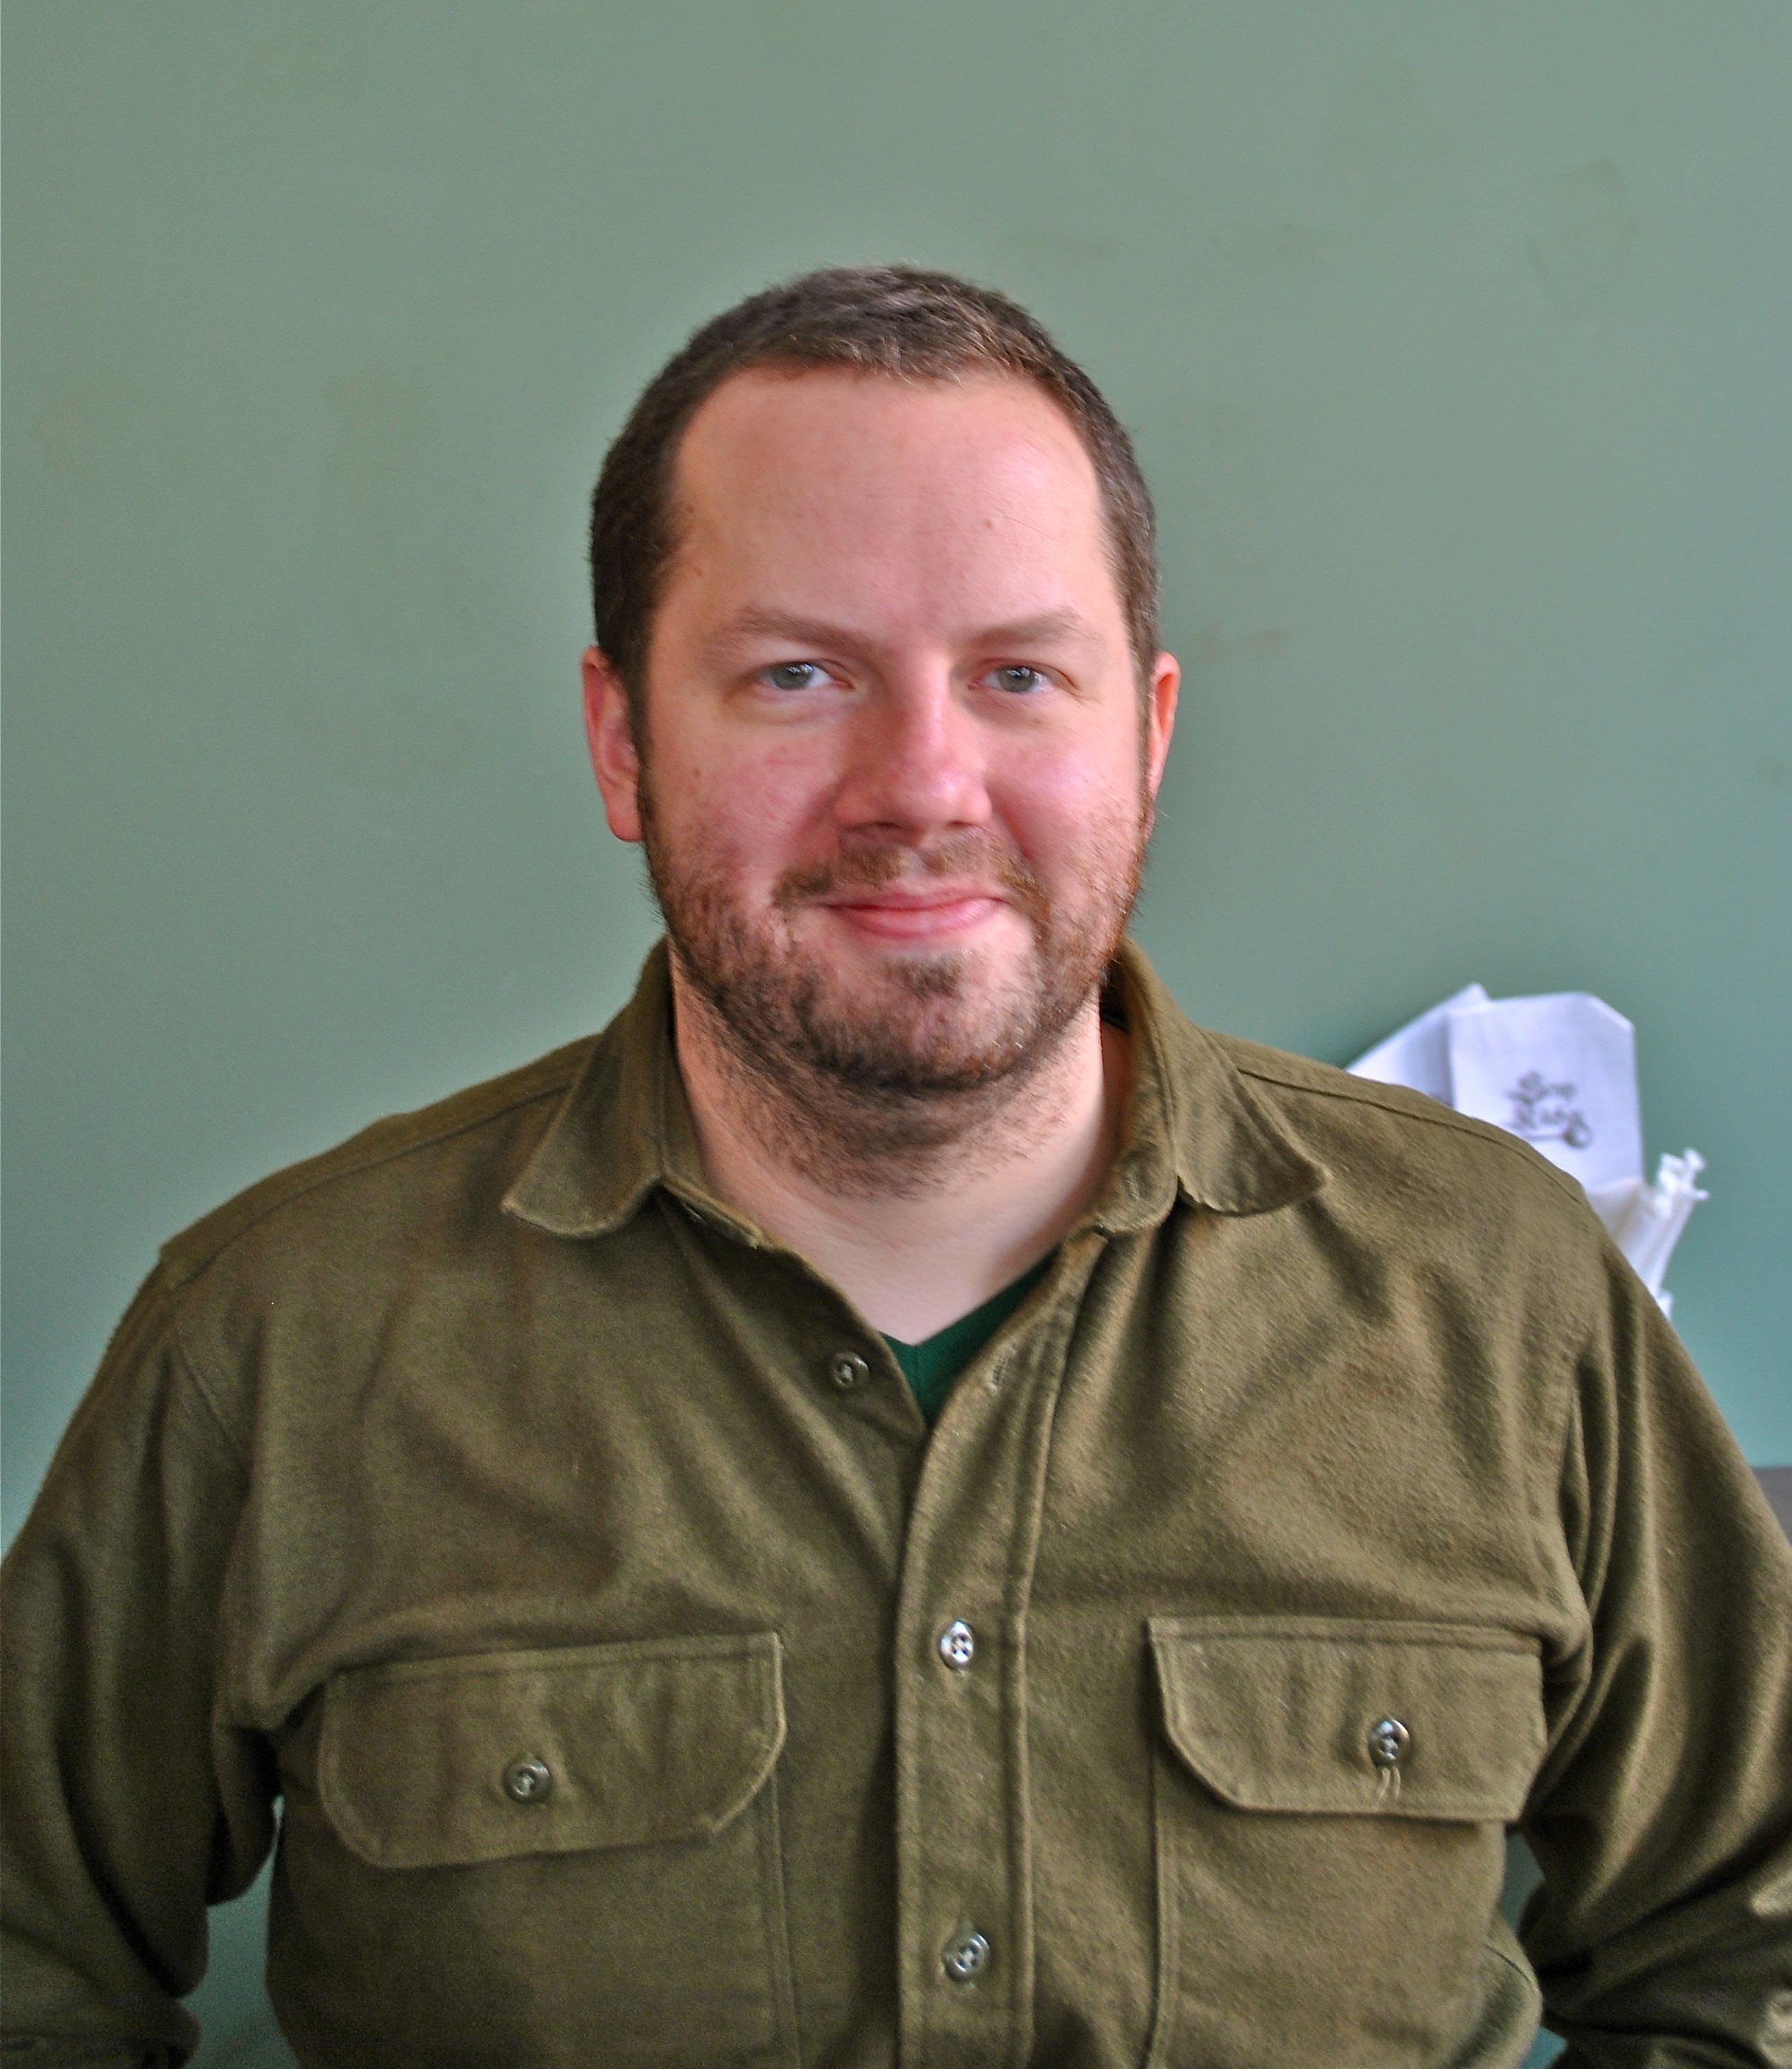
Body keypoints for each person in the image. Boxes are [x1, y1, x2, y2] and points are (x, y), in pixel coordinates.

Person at [3, 266, 1787, 2068]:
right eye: (798, 675)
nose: (922, 784)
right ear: (624, 742)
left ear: (1148, 734)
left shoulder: (1499, 1291)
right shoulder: (281, 1338)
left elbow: (1751, 1956)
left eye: (1018, 675)